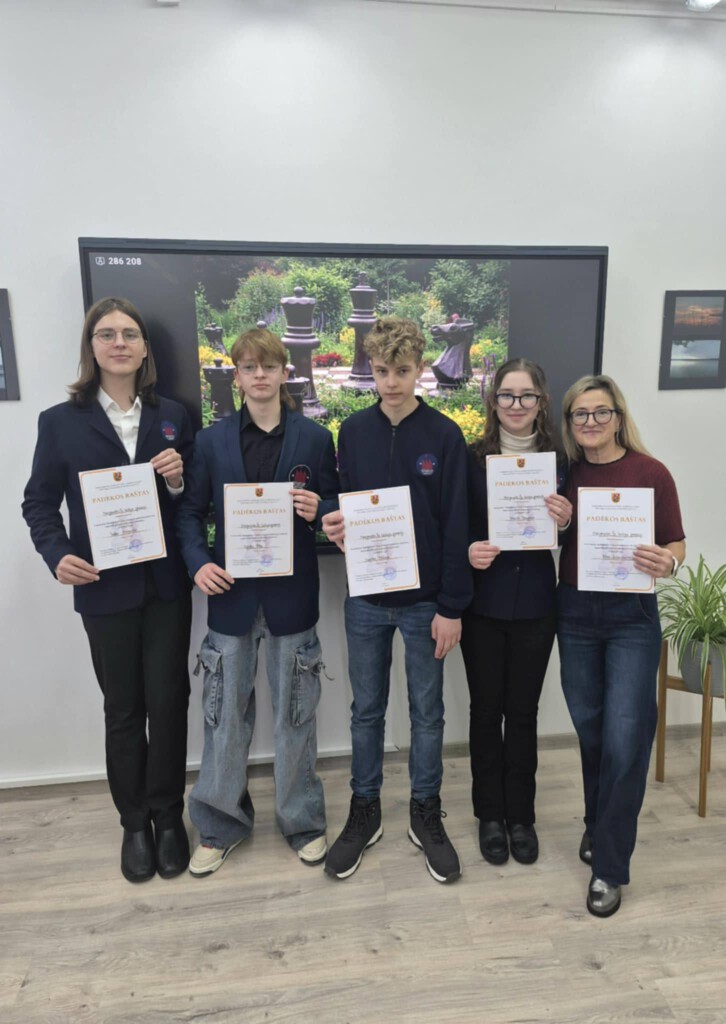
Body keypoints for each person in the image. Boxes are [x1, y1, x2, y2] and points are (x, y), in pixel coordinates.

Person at [22, 297, 194, 883]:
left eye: (129, 334)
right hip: (102, 588)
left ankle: (168, 816)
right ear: (91, 347)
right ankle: (134, 822)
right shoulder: (59, 421)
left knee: (168, 704)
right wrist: (56, 554)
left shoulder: (173, 415)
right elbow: (38, 503)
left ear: (145, 349)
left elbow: (190, 503)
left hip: (166, 586)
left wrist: (177, 483)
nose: (119, 343)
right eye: (106, 334)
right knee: (123, 709)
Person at [176, 327, 339, 877]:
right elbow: (189, 513)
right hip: (231, 598)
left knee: (297, 714)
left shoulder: (315, 438)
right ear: (237, 376)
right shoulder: (211, 442)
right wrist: (197, 562)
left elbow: (337, 507)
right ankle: (219, 825)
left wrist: (321, 509)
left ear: (284, 372)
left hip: (293, 599)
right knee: (224, 716)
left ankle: (303, 822)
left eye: (269, 365)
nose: (260, 375)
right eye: (249, 367)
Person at [322, 317, 472, 885]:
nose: (391, 382)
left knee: (427, 712)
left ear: (420, 369)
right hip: (365, 598)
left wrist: (451, 606)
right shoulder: (352, 431)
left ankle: (425, 811)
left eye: (402, 371)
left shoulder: (444, 435)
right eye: (382, 371)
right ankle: (365, 809)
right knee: (366, 710)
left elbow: (456, 523)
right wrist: (334, 521)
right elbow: (342, 502)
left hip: (425, 603)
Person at [558, 374, 685, 917]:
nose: (590, 422)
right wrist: (557, 523)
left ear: (618, 416)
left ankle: (609, 867)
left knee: (626, 738)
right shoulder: (564, 475)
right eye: (580, 414)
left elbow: (675, 541)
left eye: (600, 412)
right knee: (592, 732)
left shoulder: (651, 472)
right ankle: (597, 823)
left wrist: (669, 561)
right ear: (570, 423)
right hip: (574, 615)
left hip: (631, 618)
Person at [462, 358, 572, 867]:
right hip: (483, 603)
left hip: (536, 605)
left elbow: (576, 535)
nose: (516, 405)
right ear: (494, 401)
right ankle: (489, 814)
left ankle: (521, 816)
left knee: (523, 713)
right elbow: (455, 524)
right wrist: (468, 550)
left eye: (527, 395)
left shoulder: (560, 460)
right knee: (486, 712)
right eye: (507, 395)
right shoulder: (472, 458)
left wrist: (566, 521)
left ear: (541, 403)